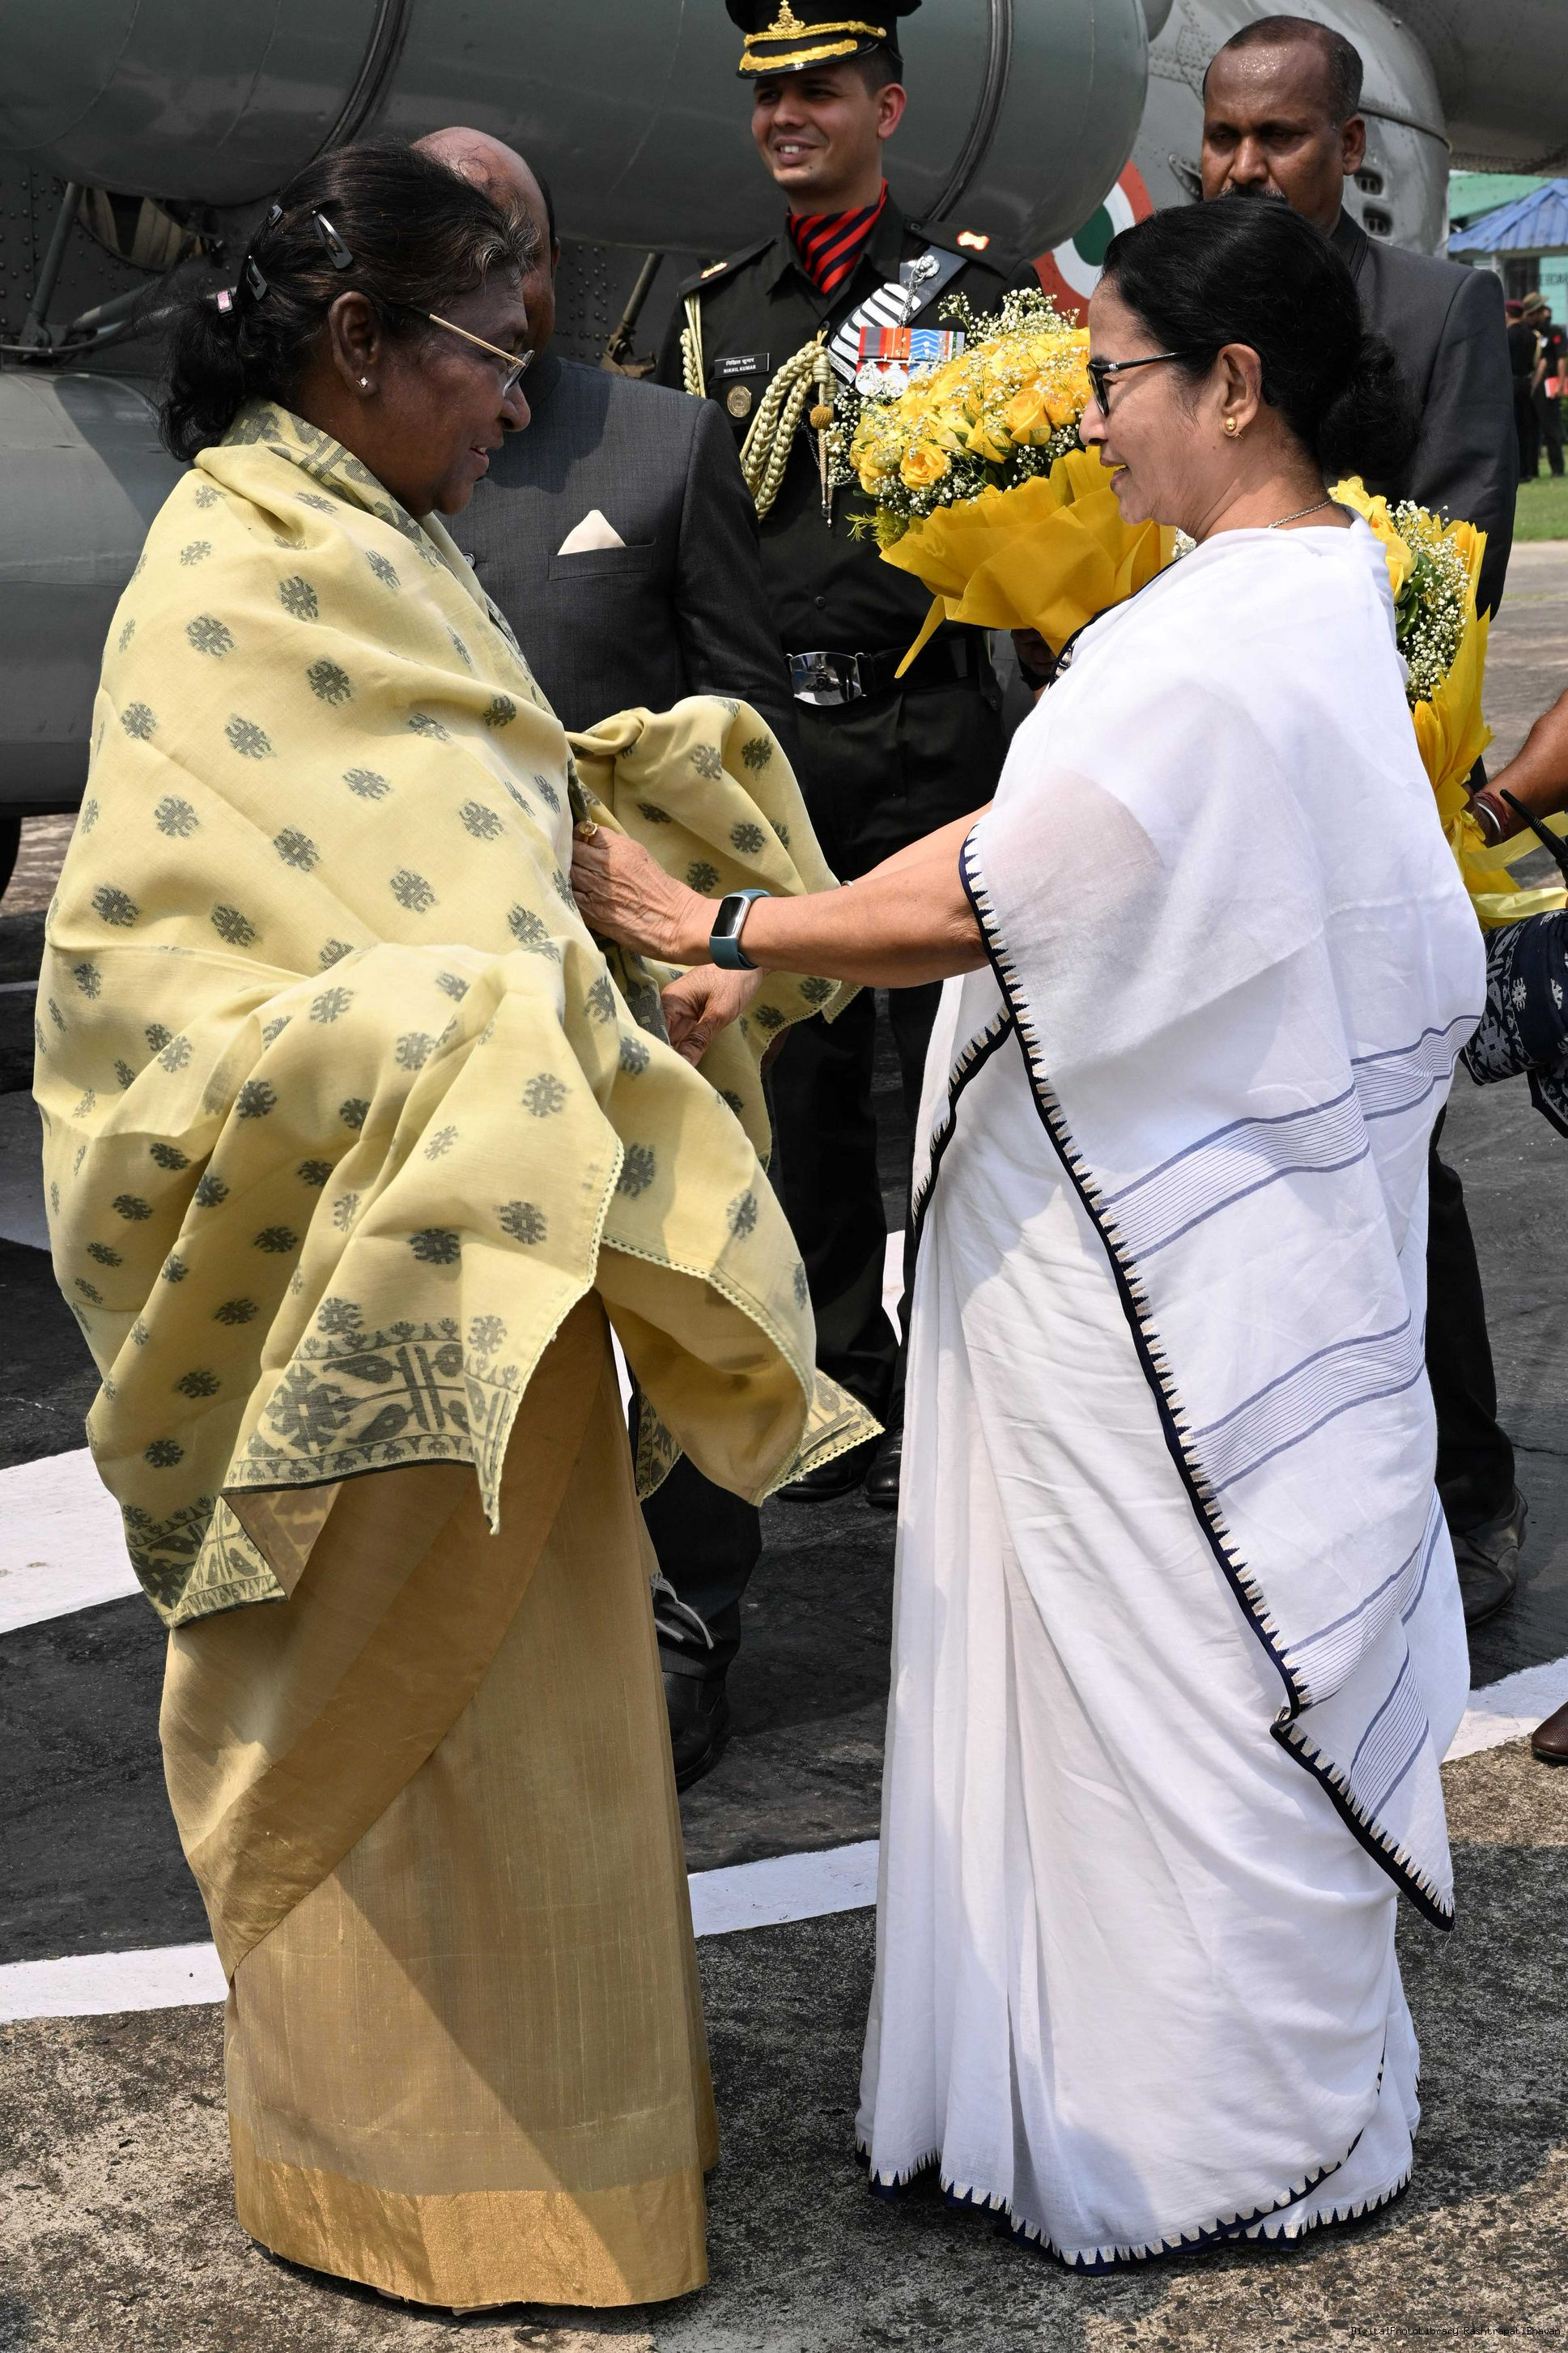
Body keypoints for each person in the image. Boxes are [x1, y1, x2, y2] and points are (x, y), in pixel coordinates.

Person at [576, 196, 1480, 2266]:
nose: (1087, 425)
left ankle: (1187, 2136)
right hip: (1171, 1235)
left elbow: (1006, 891)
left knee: (1150, 1683)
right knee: (1148, 1681)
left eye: (1111, 383)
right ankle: (1181, 2103)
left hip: (1135, 1269)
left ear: (1230, 388)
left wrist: (720, 916)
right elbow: (1033, 841)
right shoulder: (1293, 599)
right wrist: (777, 951)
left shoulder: (1221, 634)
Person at [35, 138, 869, 2313]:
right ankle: (399, 2189)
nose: (519, 396)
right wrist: (512, 1011)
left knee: (552, 1776)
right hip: (365, 1281)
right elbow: (161, 985)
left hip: (495, 1268)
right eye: (491, 351)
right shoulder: (241, 564)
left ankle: (586, 2169)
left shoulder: (376, 535)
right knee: (432, 1793)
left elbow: (462, 834)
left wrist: (628, 832)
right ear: (357, 342)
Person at [414, 124, 798, 1789]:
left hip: (639, 994)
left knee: (679, 1287)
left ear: (550, 264)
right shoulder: (352, 471)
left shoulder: (660, 444)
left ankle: (691, 1616)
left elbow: (746, 725)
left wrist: (739, 951)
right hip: (438, 998)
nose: (483, 284)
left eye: (506, 247)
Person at [657, 0, 1025, 1509]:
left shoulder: (973, 305)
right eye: (767, 94)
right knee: (801, 1081)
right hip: (779, 751)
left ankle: (961, 1372)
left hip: (932, 736)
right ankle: (845, 1387)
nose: (786, 116)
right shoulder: (711, 315)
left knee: (953, 1076)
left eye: (817, 88)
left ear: (888, 106)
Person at [1201, 13, 1525, 1628]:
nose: (1244, 165)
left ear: (1348, 149)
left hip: (1373, 792)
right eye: (1222, 136)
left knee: (1394, 1148)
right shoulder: (1178, 308)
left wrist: (1307, 689)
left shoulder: (1432, 308)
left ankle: (1466, 1491)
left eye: (1278, 137)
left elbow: (1455, 554)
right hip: (1207, 803)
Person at [1524, 294, 1565, 478]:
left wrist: (1560, 385)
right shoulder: (1530, 333)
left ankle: (1557, 469)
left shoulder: (1553, 331)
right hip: (1531, 384)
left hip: (1549, 384)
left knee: (1551, 428)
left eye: (1533, 314)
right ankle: (1532, 469)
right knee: (1531, 430)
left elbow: (1562, 359)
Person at [1506, 296, 1544, 480]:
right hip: (1527, 383)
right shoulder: (1532, 335)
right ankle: (1529, 469)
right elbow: (1537, 362)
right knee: (1527, 427)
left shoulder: (1505, 336)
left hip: (1511, 383)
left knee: (1513, 427)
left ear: (1508, 314)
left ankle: (1518, 470)